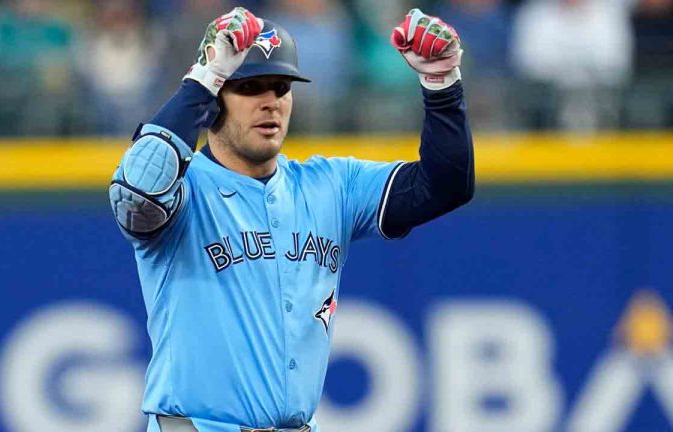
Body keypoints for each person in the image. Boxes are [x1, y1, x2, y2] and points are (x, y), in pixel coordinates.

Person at [109, 7, 474, 432]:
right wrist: (204, 78)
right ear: (212, 102)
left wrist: (442, 85)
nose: (270, 101)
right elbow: (135, 193)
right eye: (250, 87)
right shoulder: (186, 189)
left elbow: (445, 185)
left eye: (281, 87)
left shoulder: (331, 186)